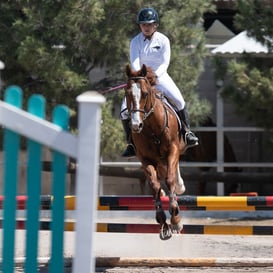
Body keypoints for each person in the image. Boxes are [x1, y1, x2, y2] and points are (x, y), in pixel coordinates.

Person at [120, 7, 198, 157]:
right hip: (141, 78)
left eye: (149, 24)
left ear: (155, 25)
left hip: (160, 76)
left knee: (180, 101)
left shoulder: (163, 40)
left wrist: (155, 75)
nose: (146, 27)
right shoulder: (135, 42)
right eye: (143, 25)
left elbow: (165, 62)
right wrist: (141, 77)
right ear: (140, 26)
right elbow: (135, 62)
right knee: (124, 111)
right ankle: (131, 143)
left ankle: (187, 133)